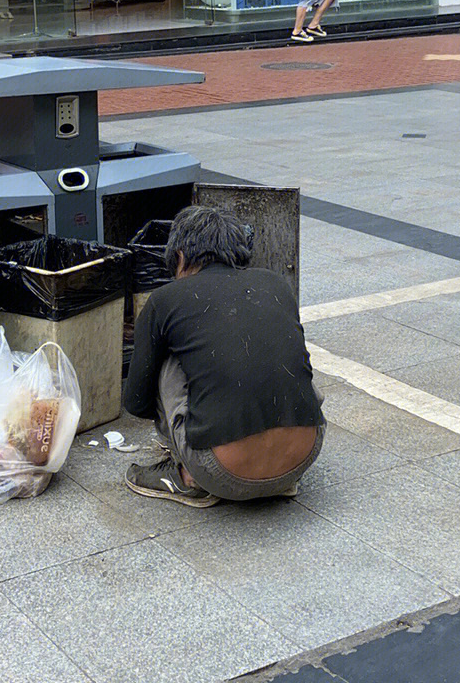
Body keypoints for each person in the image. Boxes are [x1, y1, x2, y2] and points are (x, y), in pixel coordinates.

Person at [123, 206, 326, 508]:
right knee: (275, 356)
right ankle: (276, 478)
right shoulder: (276, 284)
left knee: (168, 360)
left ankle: (187, 476)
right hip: (302, 460)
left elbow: (136, 402)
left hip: (220, 473)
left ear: (179, 256)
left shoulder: (164, 300)